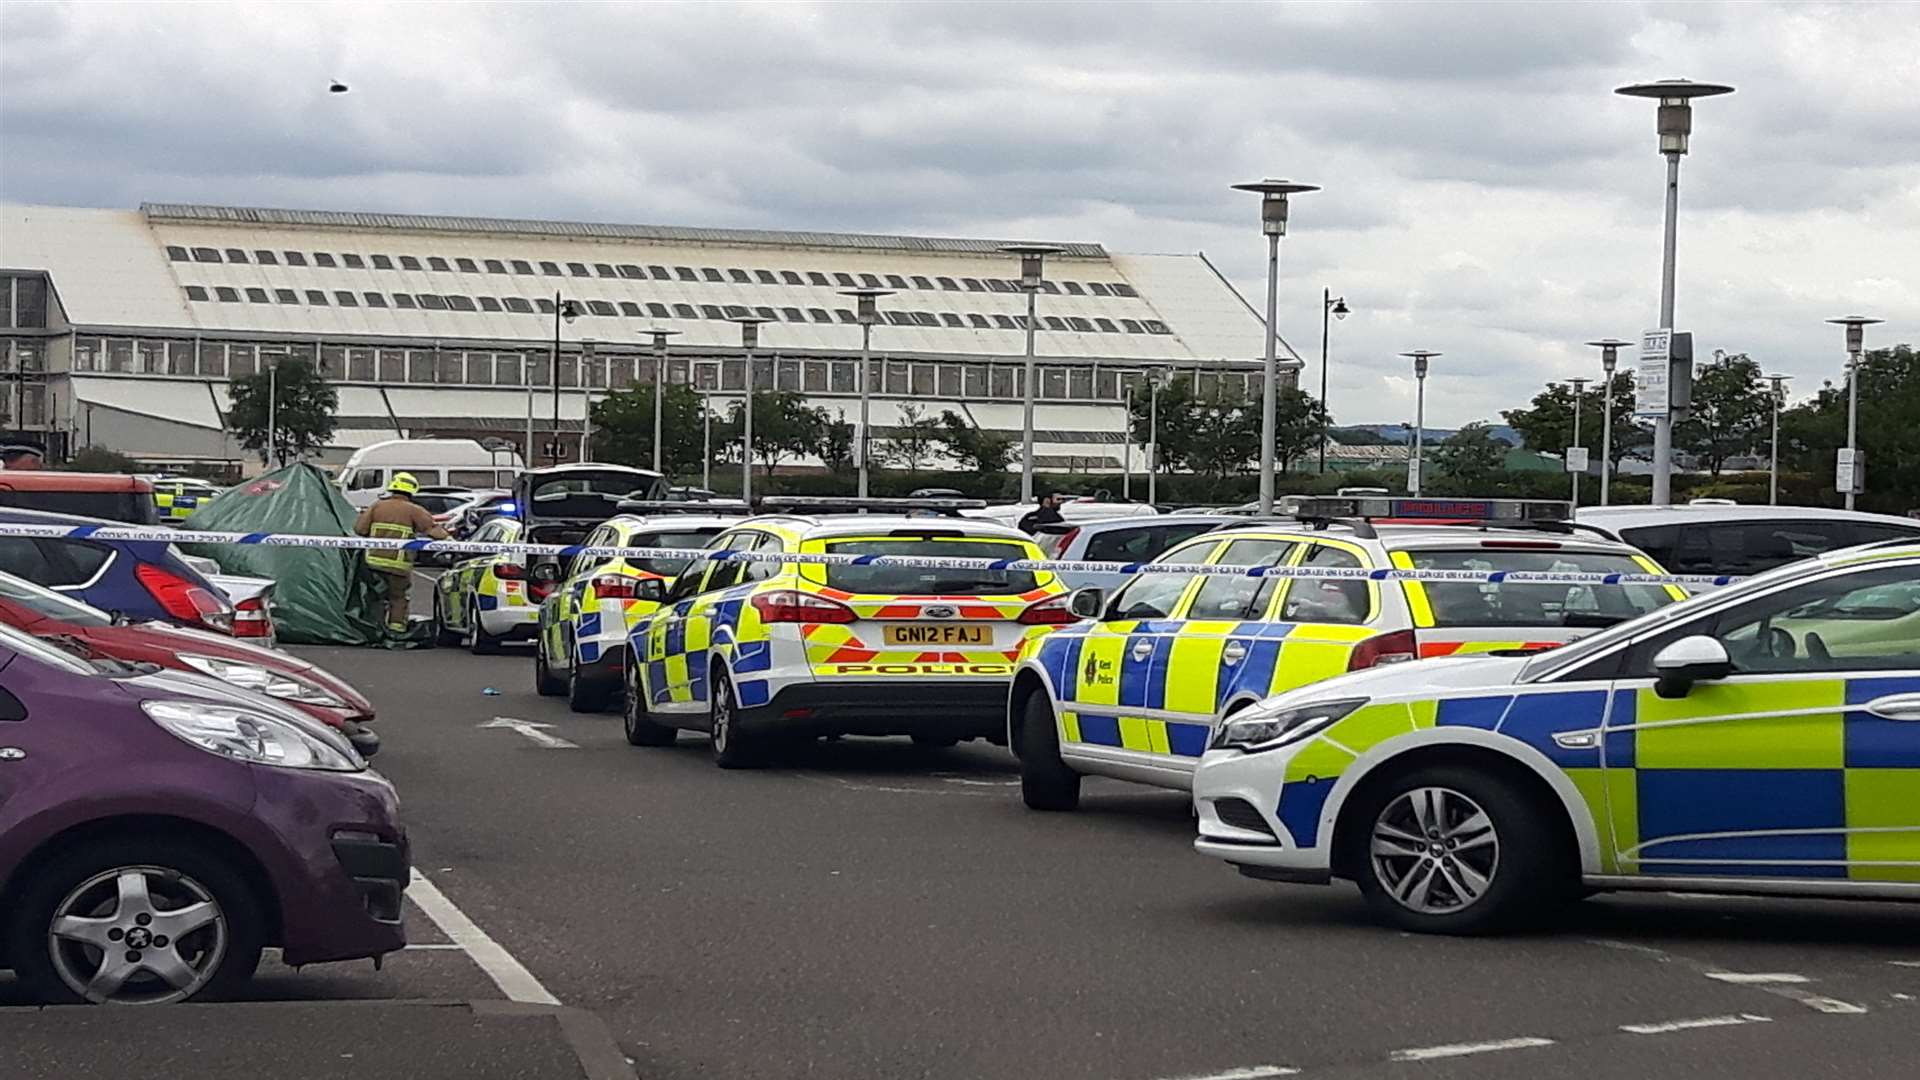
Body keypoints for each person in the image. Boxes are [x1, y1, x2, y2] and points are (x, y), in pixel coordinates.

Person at [353, 472, 451, 636]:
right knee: (398, 599)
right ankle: (395, 632)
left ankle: (372, 630)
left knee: (374, 598)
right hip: (398, 566)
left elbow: (359, 529)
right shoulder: (414, 510)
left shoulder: (377, 506)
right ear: (411, 490)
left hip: (373, 563)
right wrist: (451, 542)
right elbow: (432, 529)